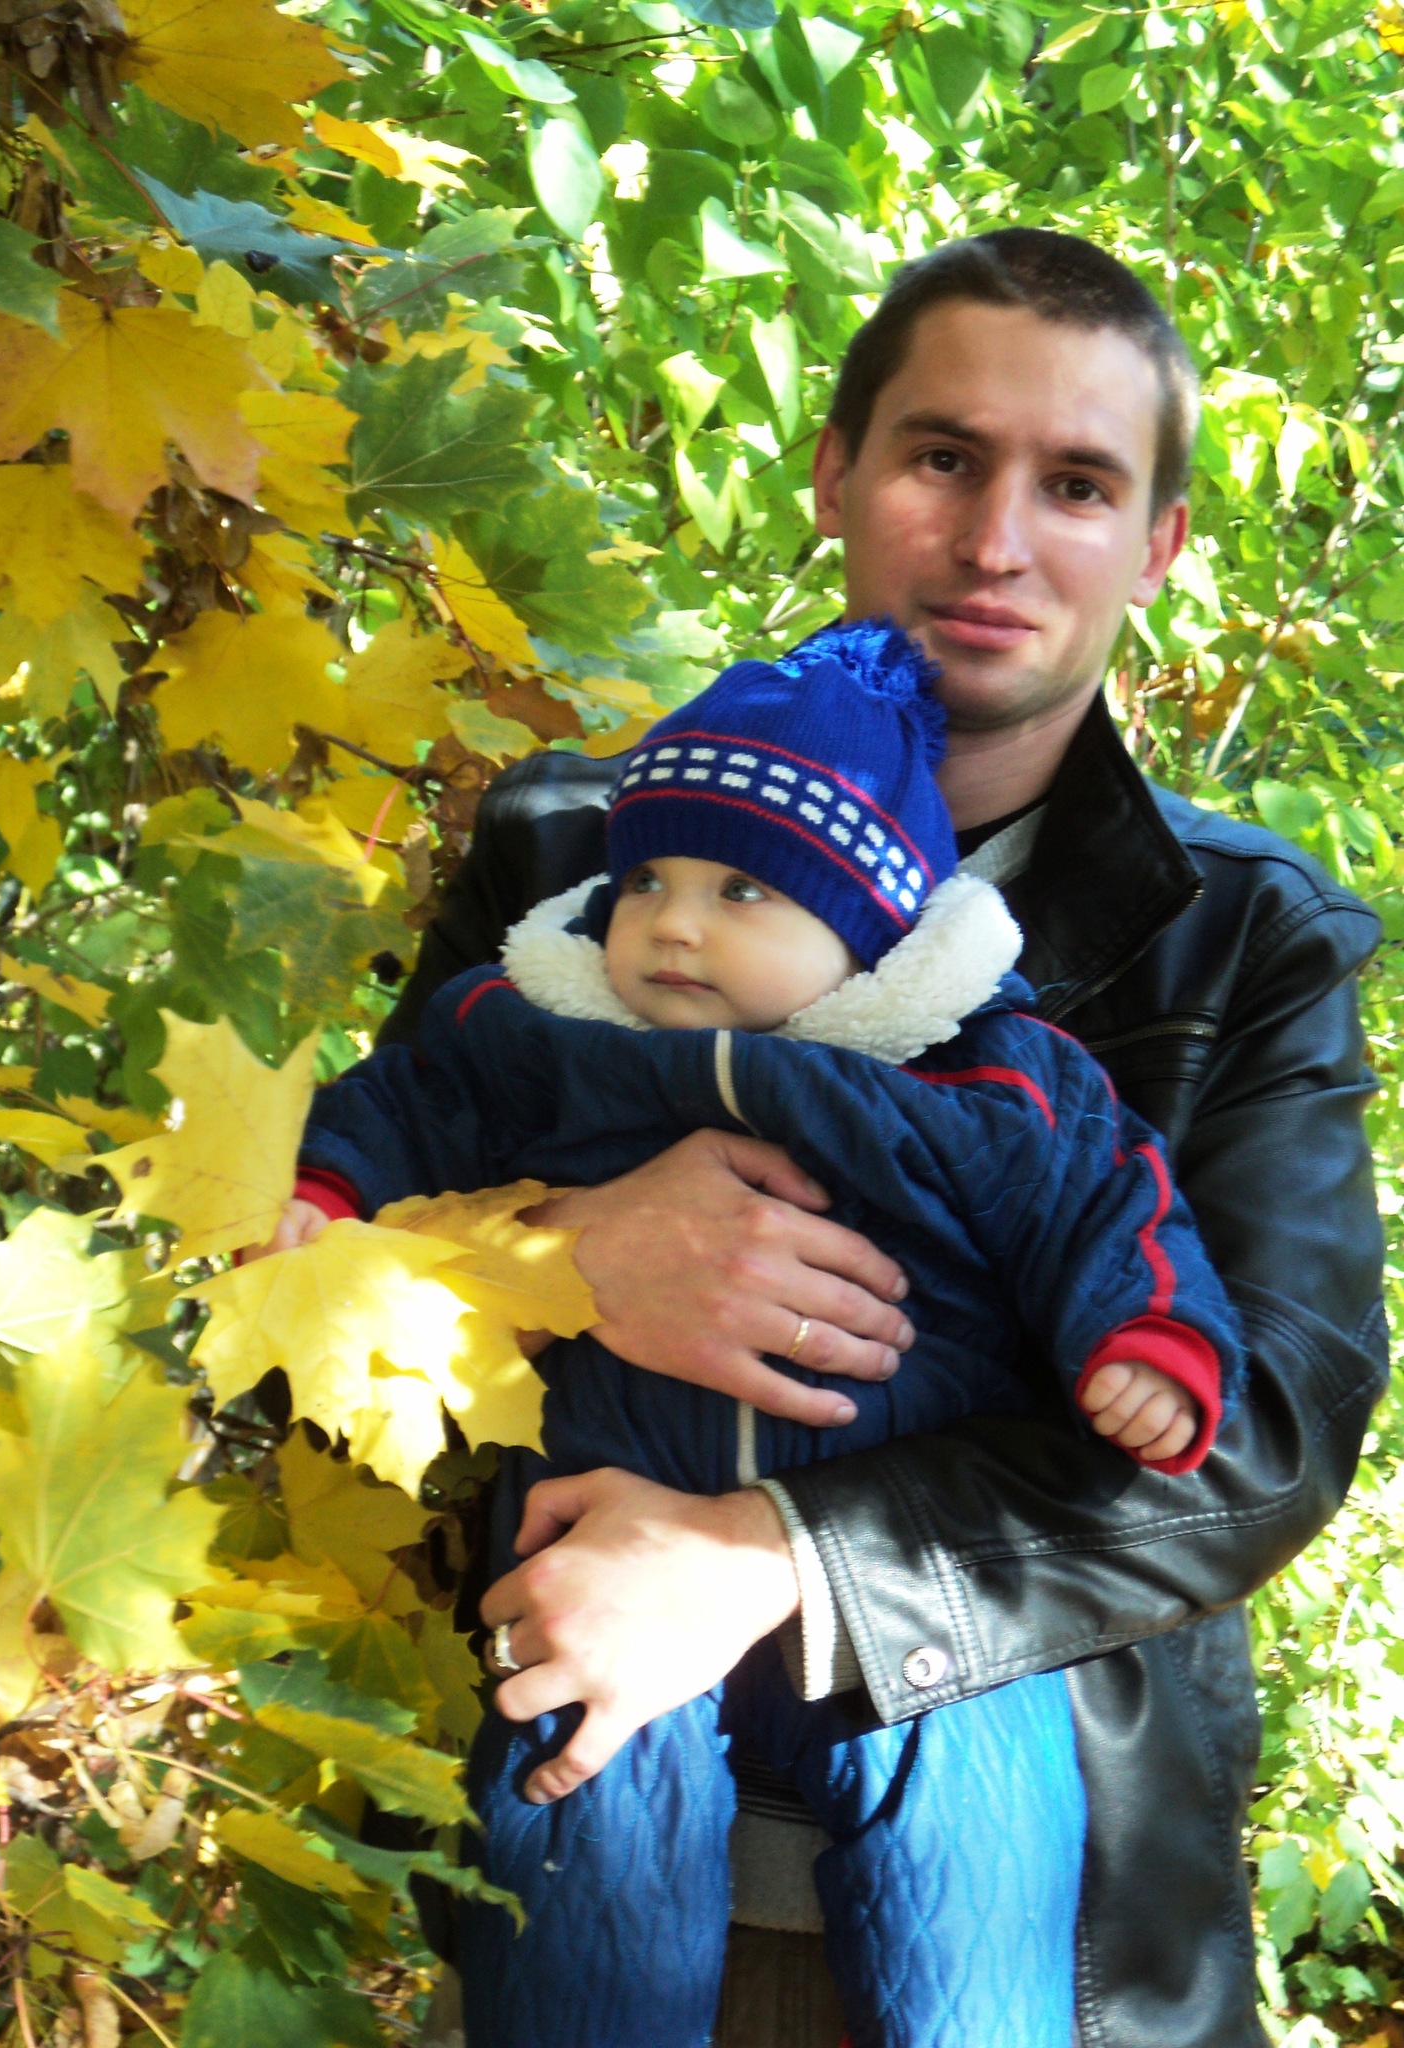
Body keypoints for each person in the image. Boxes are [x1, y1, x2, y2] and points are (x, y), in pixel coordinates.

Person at [268, 228, 1389, 2046]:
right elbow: (314, 1288)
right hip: (574, 1862)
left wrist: (772, 1552)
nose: (997, 540)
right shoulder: (573, 866)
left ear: (1159, 543)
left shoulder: (1243, 938)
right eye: (944, 456)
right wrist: (550, 1258)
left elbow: (1259, 1438)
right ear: (836, 476)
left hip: (1036, 1936)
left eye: (1078, 484)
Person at [280, 616, 1245, 2046]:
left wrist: (1149, 1339)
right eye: (648, 881)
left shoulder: (978, 1079)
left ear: (869, 929)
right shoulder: (540, 1035)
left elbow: (1108, 1203)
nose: (675, 924)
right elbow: (403, 1107)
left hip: (907, 1613)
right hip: (595, 1573)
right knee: (573, 1834)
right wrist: (326, 1192)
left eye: (742, 889)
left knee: (976, 1863)